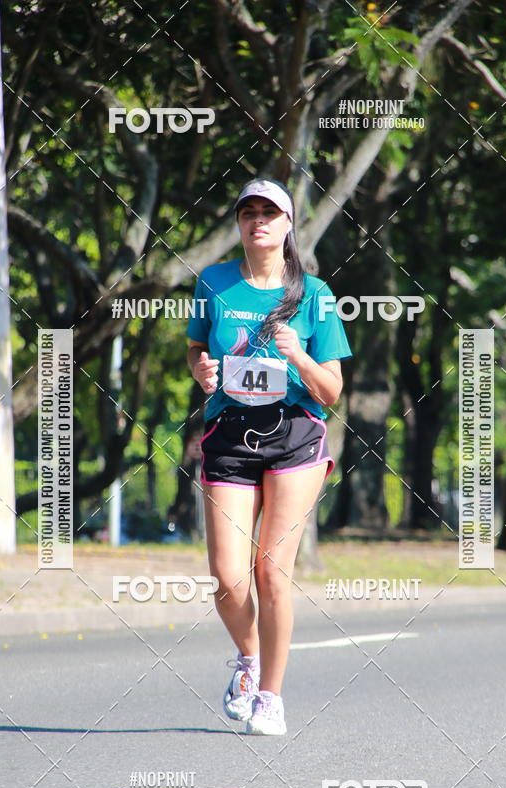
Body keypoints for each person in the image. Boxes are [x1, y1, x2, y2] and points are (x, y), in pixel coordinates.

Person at [186, 177, 352, 735]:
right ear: (239, 223)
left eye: (269, 212)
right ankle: (249, 660)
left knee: (272, 572)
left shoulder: (316, 294)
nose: (258, 221)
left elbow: (332, 391)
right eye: (248, 212)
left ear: (287, 224)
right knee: (227, 577)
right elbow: (197, 348)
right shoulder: (213, 283)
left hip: (294, 436)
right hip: (229, 435)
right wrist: (201, 370)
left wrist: (299, 356)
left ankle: (272, 698)